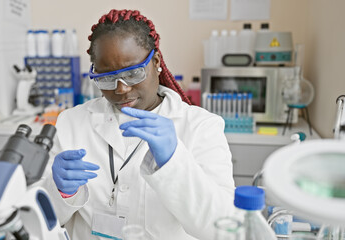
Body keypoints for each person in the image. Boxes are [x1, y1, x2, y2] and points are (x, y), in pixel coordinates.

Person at [39, 9, 235, 240]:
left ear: (156, 62)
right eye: (107, 78)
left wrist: (175, 162)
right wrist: (59, 191)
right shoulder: (71, 122)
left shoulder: (202, 126)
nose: (121, 88)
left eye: (133, 73)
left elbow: (223, 228)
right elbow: (38, 221)